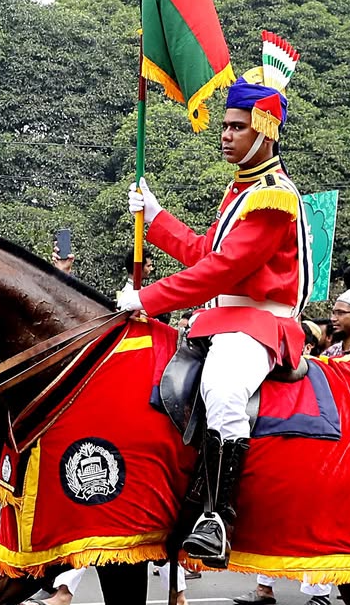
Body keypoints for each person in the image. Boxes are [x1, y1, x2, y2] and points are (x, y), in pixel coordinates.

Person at [121, 33, 310, 568]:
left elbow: (223, 269)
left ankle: (218, 519)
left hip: (257, 325)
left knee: (223, 391)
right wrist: (156, 217)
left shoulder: (273, 197)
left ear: (266, 131)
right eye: (225, 125)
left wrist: (147, 298)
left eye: (237, 126)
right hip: (222, 320)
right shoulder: (241, 190)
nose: (225, 135)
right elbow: (205, 251)